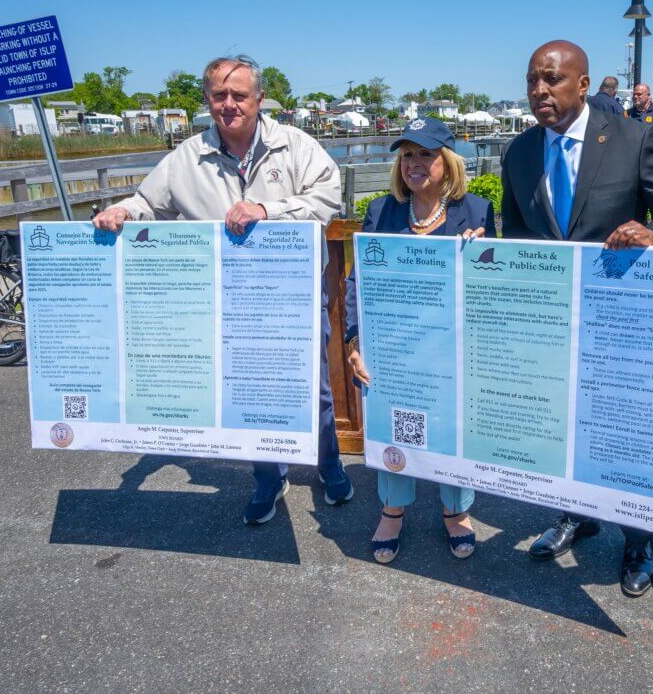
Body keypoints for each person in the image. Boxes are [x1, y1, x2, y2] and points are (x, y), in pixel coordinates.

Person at [91, 55, 355, 524]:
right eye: (219, 95)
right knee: (247, 393)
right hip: (227, 304)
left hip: (291, 300)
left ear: (258, 100)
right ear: (207, 100)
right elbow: (149, 201)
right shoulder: (186, 157)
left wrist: (266, 210)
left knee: (313, 391)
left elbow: (327, 200)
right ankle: (268, 477)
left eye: (239, 95)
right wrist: (123, 213)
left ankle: (328, 463)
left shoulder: (297, 146)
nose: (228, 104)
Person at [501, 40, 653, 597]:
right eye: (533, 80)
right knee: (561, 425)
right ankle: (574, 514)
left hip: (620, 320)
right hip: (551, 323)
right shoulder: (518, 153)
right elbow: (516, 240)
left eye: (552, 80)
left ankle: (638, 540)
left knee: (622, 430)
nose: (540, 90)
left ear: (583, 85)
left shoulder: (633, 139)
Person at [342, 117, 493, 564]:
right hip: (397, 348)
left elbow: (494, 287)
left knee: (454, 426)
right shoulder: (380, 212)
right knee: (395, 422)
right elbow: (357, 285)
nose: (414, 163)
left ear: (447, 160)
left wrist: (483, 257)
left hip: (453, 350)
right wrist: (353, 340)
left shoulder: (478, 211)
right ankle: (392, 510)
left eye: (425, 154)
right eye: (407, 154)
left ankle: (455, 510)